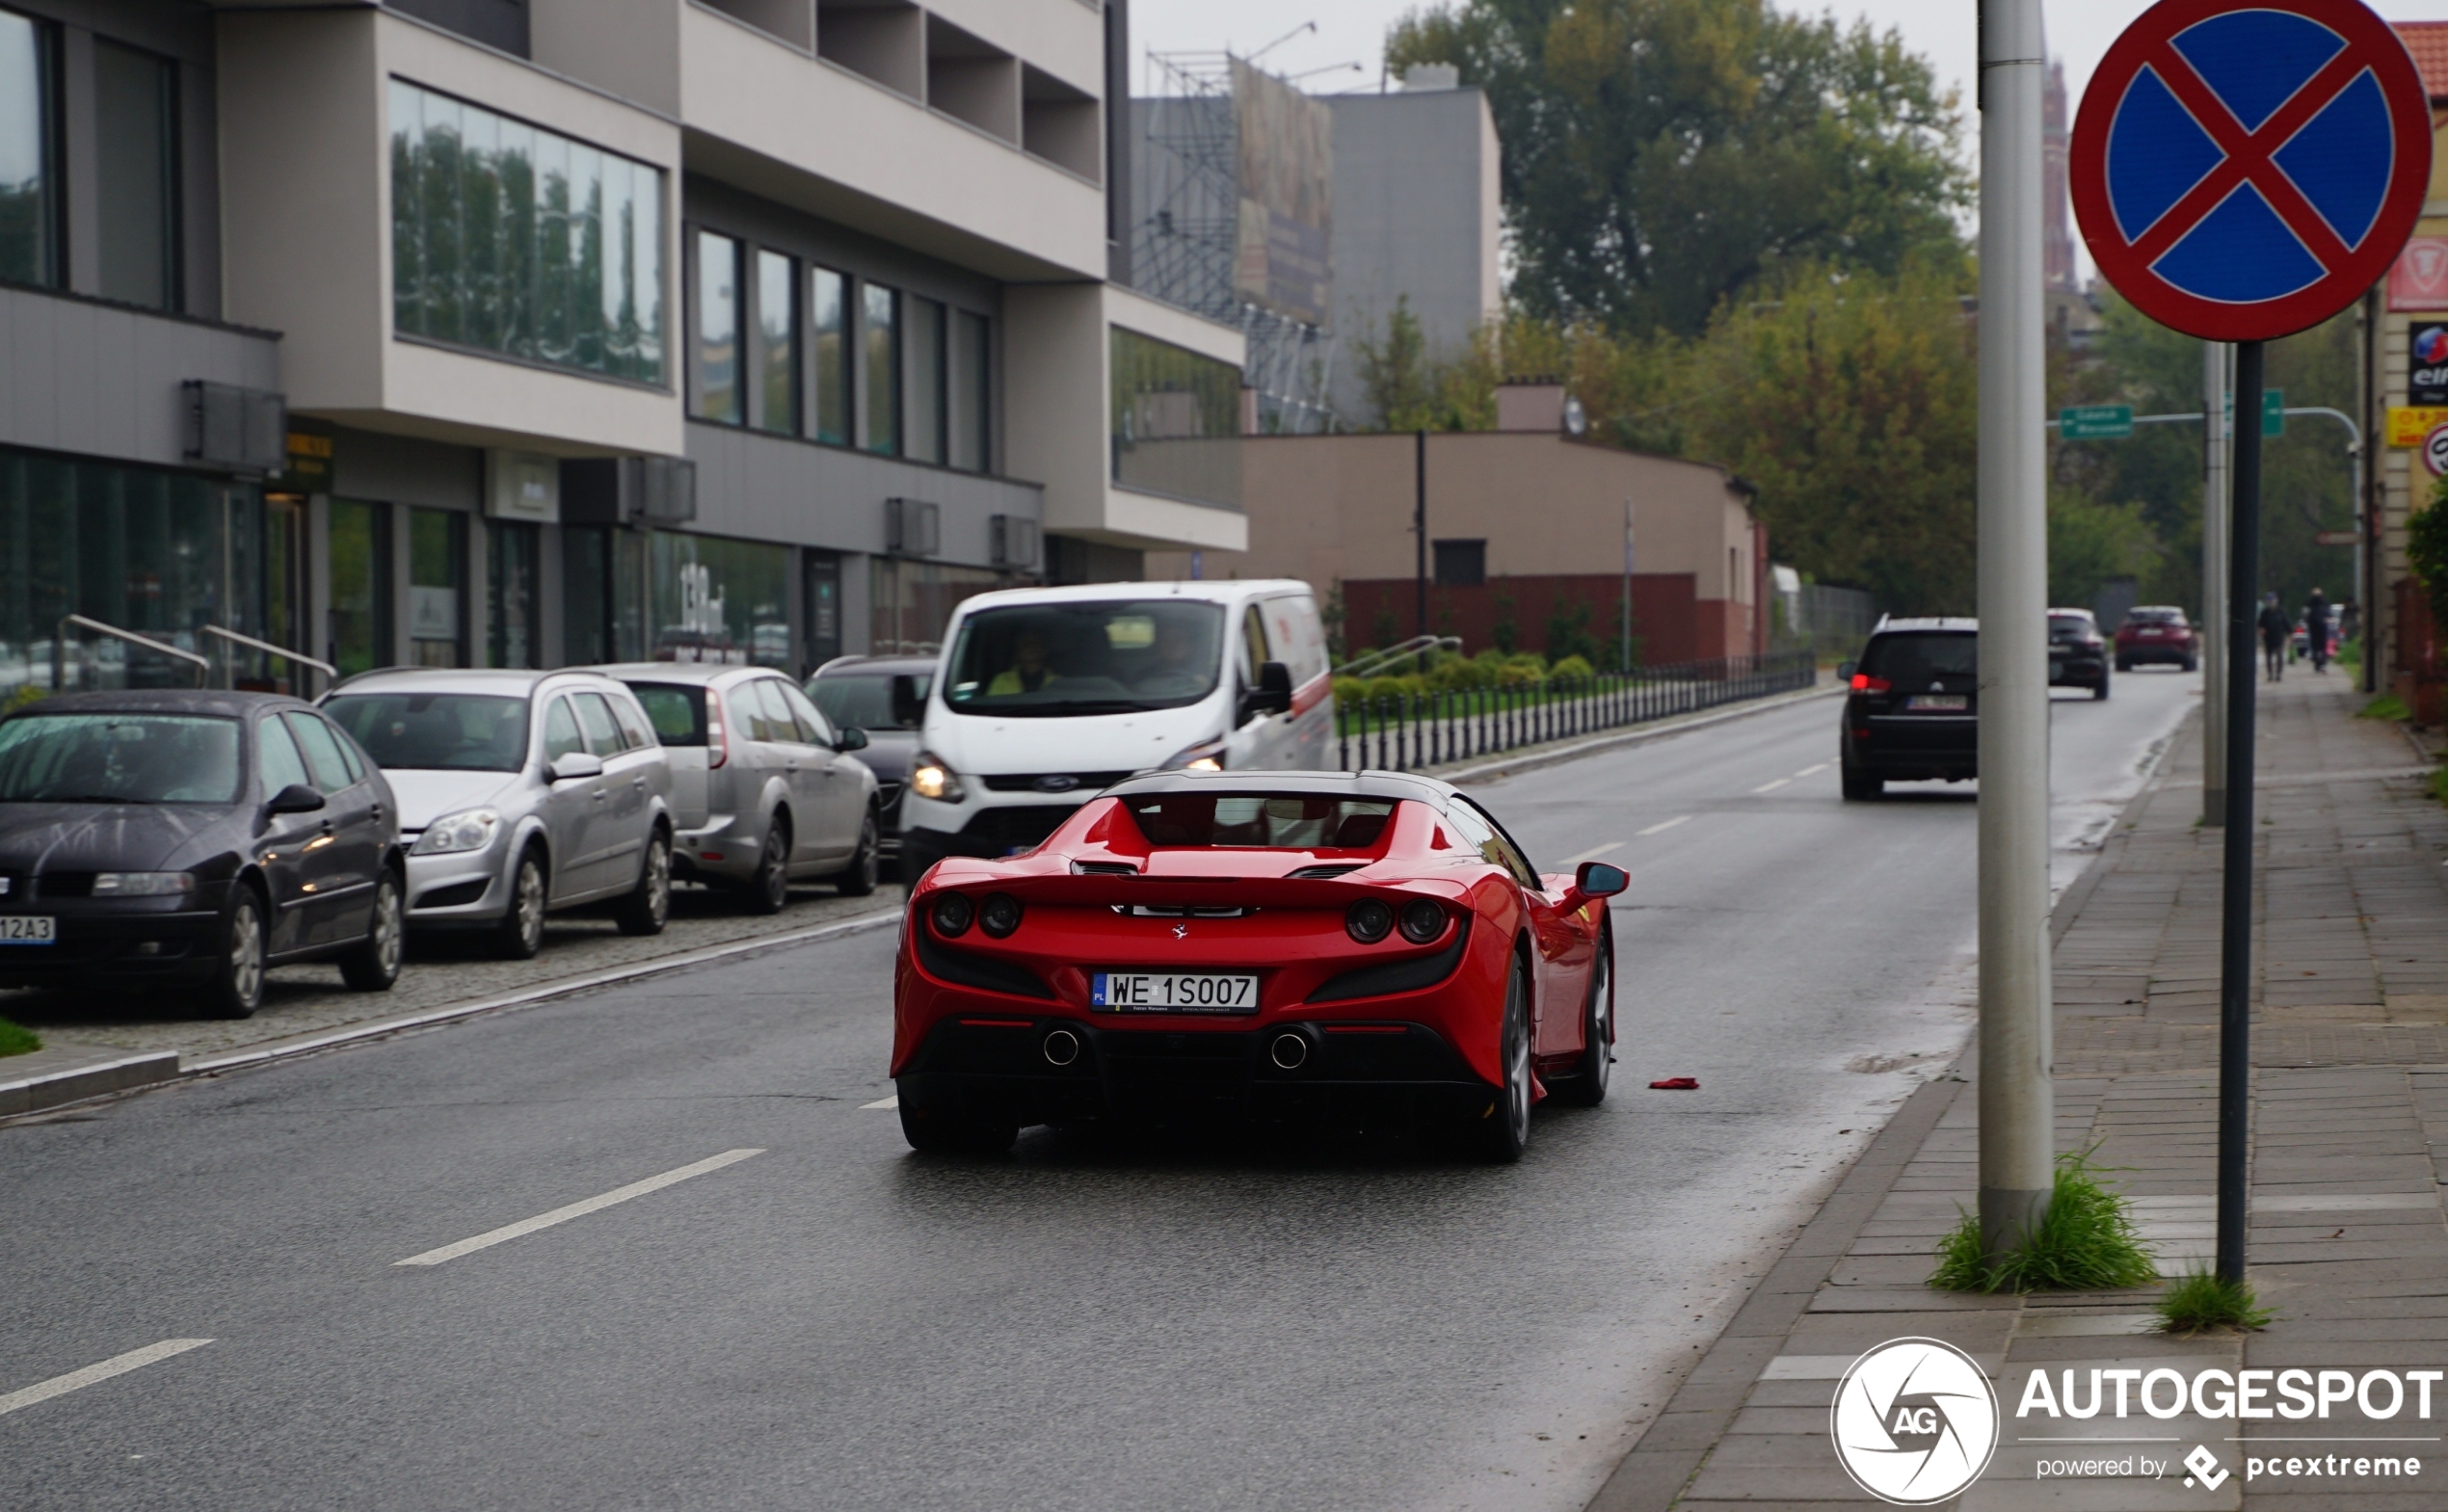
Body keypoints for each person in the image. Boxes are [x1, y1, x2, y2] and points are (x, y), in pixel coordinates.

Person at [986, 630, 1060, 696]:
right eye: (1027, 644)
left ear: (1044, 651)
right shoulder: (1001, 681)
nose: (1032, 648)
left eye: (1036, 644)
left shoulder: (1058, 682)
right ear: (1018, 653)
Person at [2257, 592, 2291, 682]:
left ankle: (2279, 674)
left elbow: (2286, 623)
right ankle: (2270, 674)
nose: (2271, 603)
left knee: (2279, 655)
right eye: (2269, 601)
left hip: (2279, 637)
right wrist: (2261, 630)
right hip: (2268, 638)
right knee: (2268, 656)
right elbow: (2260, 624)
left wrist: (2290, 634)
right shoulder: (2264, 613)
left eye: (2272, 600)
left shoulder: (2280, 611)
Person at [2304, 588, 2330, 675]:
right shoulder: (2324, 603)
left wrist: (2307, 621)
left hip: (2313, 625)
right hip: (2322, 625)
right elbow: (2328, 613)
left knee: (2314, 646)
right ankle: (2322, 663)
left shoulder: (2309, 603)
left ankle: (2317, 664)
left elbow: (2306, 613)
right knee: (2323, 646)